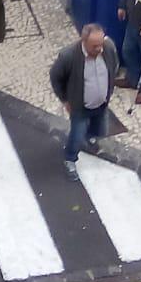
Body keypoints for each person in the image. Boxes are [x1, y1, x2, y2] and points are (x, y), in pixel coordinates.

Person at [51, 23, 119, 177]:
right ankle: (70, 159)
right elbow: (56, 78)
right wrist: (65, 99)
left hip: (101, 103)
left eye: (101, 44)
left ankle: (91, 140)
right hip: (80, 107)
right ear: (83, 41)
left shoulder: (108, 48)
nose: (99, 49)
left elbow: (114, 66)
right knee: (77, 135)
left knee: (100, 129)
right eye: (95, 46)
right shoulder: (68, 56)